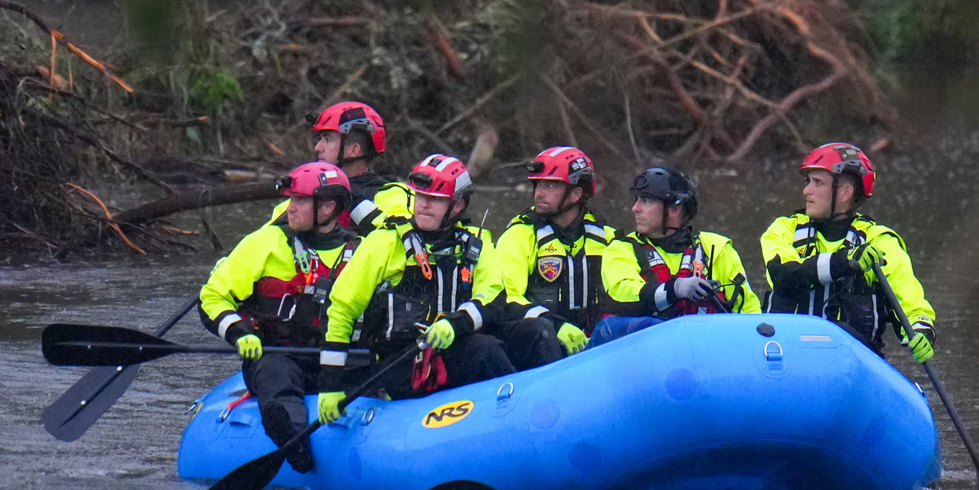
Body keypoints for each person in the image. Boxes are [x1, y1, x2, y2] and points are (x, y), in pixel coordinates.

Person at [317, 154, 547, 420]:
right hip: (403, 362)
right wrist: (330, 385)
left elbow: (493, 297)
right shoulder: (384, 242)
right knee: (483, 349)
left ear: (457, 205)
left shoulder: (476, 242)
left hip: (455, 341)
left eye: (435, 199)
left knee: (535, 332)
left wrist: (454, 324)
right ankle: (520, 417)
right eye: (420, 196)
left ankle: (547, 404)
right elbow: (341, 309)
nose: (424, 205)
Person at [199, 162, 357, 474]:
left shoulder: (362, 252)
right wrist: (240, 332)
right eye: (291, 199)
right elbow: (212, 297)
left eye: (300, 201)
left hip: (339, 358)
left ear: (328, 208)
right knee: (277, 373)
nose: (290, 207)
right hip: (277, 354)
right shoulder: (265, 243)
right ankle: (294, 442)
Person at [759, 142, 936, 360]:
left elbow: (910, 304)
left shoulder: (879, 241)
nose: (806, 190)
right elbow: (784, 276)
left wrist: (921, 331)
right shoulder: (783, 230)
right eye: (808, 182)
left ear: (844, 193)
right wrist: (845, 262)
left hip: (852, 362)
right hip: (785, 357)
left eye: (818, 183)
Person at [591, 167, 761, 346]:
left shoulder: (717, 248)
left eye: (646, 201)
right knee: (643, 325)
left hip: (705, 348)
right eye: (637, 199)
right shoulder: (620, 249)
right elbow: (623, 296)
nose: (635, 208)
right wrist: (675, 289)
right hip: (642, 351)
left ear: (674, 209)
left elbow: (749, 310)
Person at [494, 147, 616, 360]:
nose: (539, 193)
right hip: (539, 342)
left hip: (594, 341)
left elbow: (627, 291)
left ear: (576, 193)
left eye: (550, 185)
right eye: (538, 184)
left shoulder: (608, 238)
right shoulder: (518, 237)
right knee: (541, 331)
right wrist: (555, 325)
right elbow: (506, 298)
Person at [267, 101, 411, 232]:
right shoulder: (299, 198)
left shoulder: (392, 196)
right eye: (320, 139)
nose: (318, 147)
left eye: (328, 140)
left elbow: (401, 238)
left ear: (354, 150)